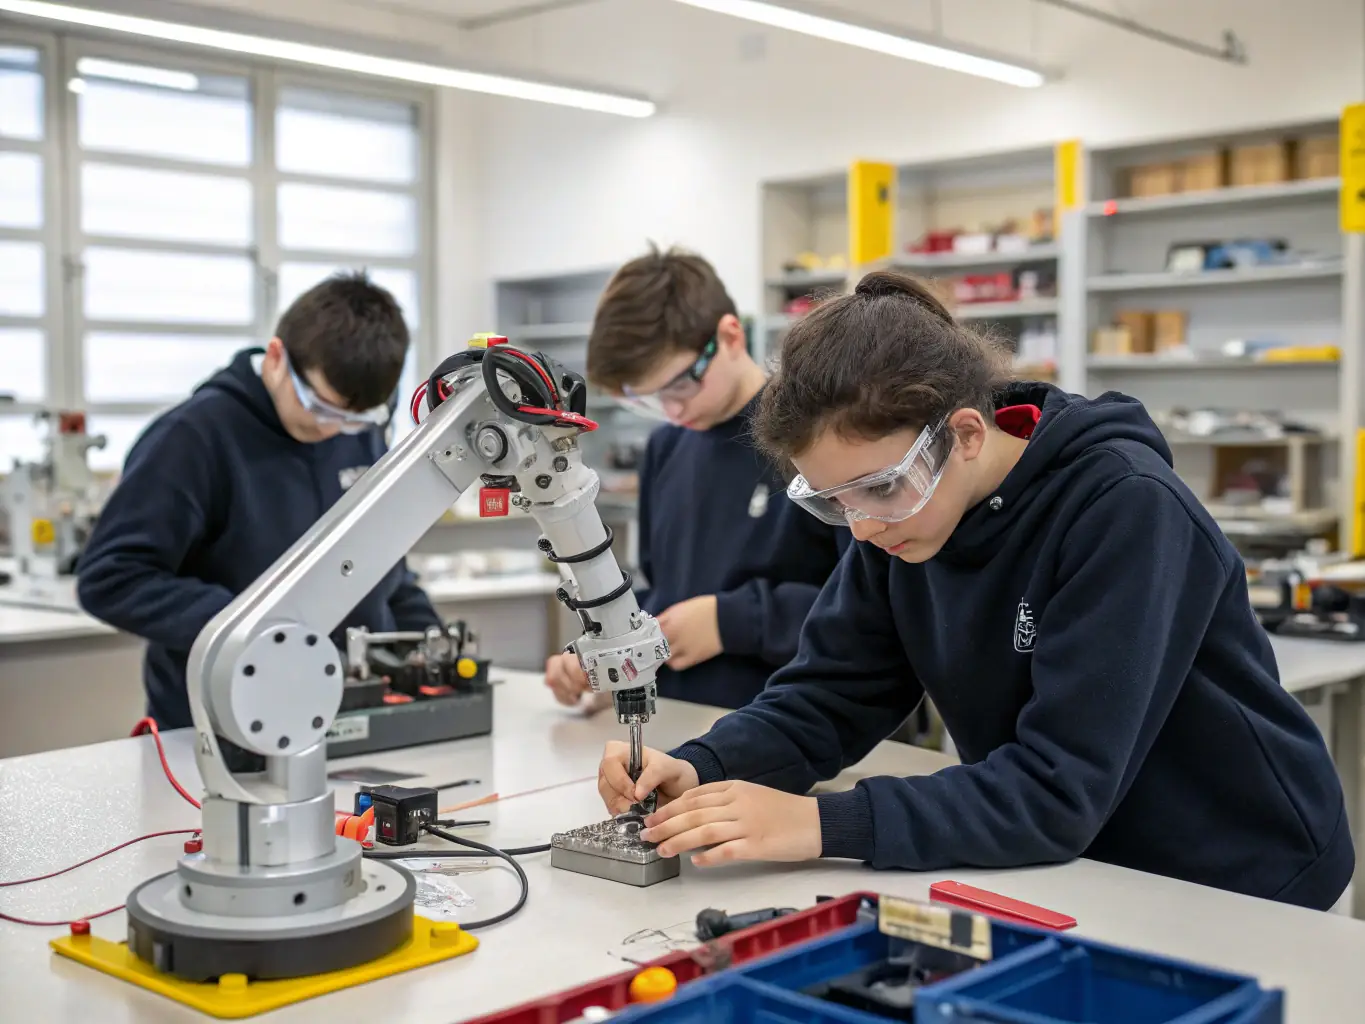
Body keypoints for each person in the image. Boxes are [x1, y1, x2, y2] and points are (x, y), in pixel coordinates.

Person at [596, 269, 1353, 911]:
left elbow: (1055, 790)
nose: (858, 528)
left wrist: (818, 824)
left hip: (1233, 872)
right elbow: (828, 695)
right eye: (832, 503)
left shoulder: (1124, 508)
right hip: (1079, 864)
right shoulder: (900, 517)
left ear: (961, 433)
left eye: (876, 490)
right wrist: (702, 765)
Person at [78, 271, 440, 730]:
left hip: (348, 715)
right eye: (322, 408)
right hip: (217, 728)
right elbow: (111, 578)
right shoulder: (193, 439)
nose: (333, 430)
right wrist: (254, 628)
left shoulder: (360, 432)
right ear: (275, 358)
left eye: (356, 418)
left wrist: (429, 644)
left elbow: (385, 570)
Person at [545, 245, 848, 711]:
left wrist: (734, 621)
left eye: (680, 385)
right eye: (648, 398)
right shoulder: (667, 447)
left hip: (790, 723)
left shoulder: (812, 440)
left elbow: (864, 610)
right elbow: (665, 590)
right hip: (682, 726)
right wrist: (608, 650)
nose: (672, 410)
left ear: (730, 336)